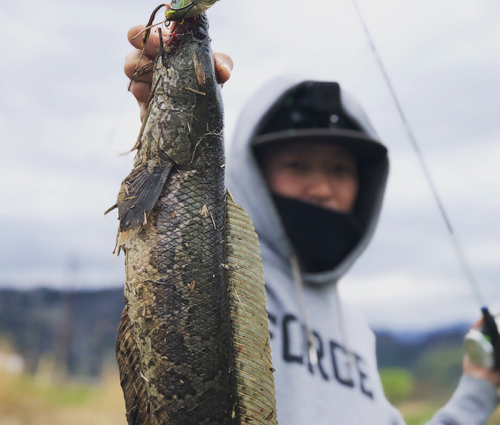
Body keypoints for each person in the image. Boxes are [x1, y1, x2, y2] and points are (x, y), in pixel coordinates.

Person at [124, 25, 500, 424]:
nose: (321, 188)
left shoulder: (358, 332)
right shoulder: (219, 275)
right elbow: (172, 223)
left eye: (339, 169)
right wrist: (162, 105)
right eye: (297, 164)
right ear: (256, 173)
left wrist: (478, 389)